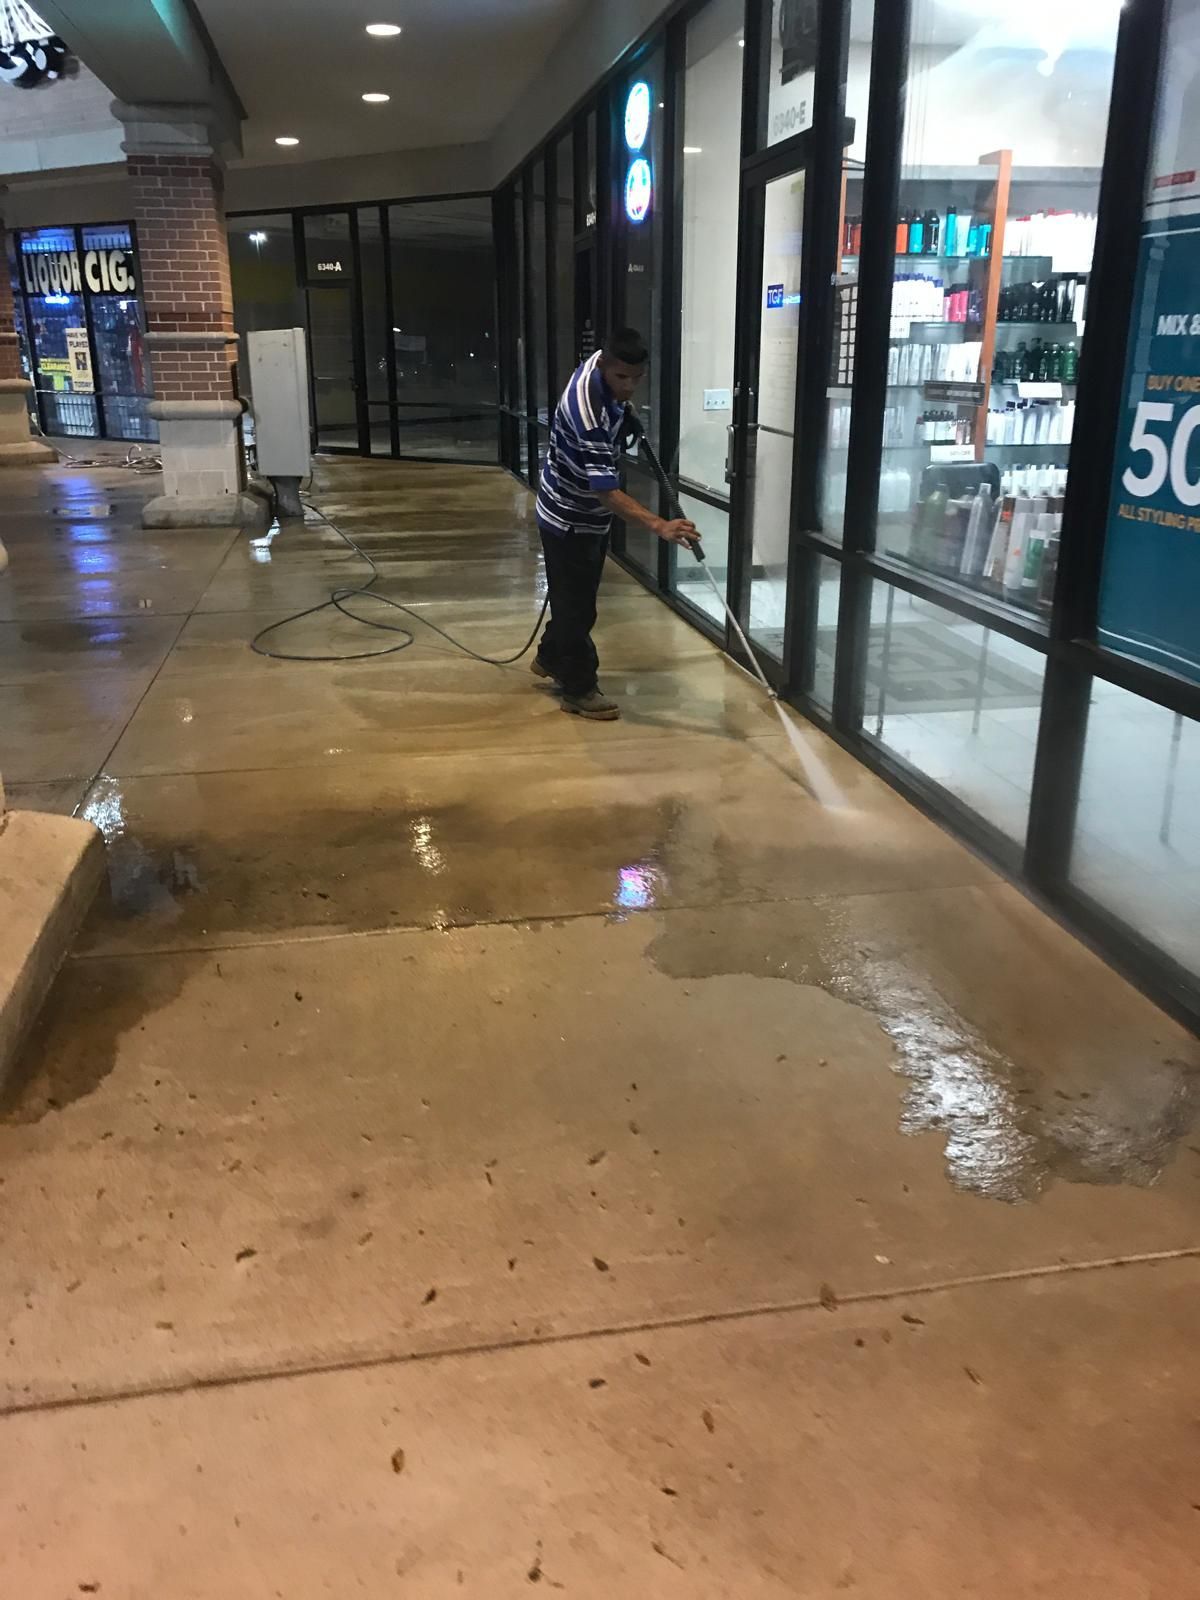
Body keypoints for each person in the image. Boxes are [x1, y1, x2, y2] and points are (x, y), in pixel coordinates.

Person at [533, 328, 697, 721]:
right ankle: (579, 689)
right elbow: (605, 491)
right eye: (621, 378)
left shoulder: (598, 368)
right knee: (578, 610)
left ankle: (550, 656)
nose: (629, 386)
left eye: (637, 378)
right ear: (604, 365)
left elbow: (616, 406)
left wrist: (623, 413)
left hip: (589, 518)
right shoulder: (586, 414)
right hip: (568, 517)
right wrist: (660, 525)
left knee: (575, 600)